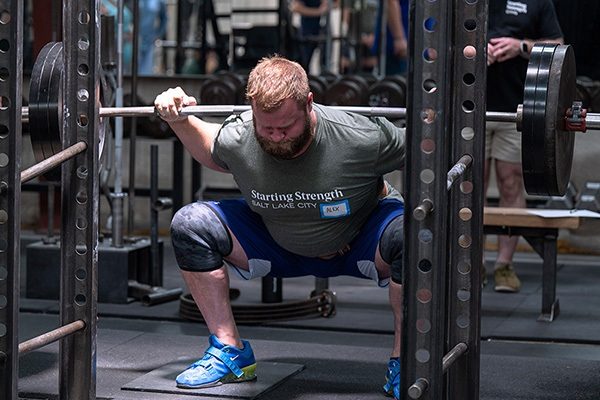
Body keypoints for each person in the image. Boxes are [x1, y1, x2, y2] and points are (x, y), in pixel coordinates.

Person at [154, 56, 406, 399]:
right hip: (276, 241)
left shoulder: (360, 137)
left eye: (286, 127)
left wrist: (439, 113)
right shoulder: (241, 135)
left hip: (360, 240)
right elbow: (212, 149)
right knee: (190, 224)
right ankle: (231, 353)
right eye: (266, 127)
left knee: (414, 232)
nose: (275, 136)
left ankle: (407, 359)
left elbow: (425, 151)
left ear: (309, 103)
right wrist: (178, 117)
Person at [485, 0, 563, 292]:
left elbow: (557, 45)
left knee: (510, 184)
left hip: (516, 110)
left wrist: (521, 47)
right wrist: (471, 53)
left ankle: (504, 264)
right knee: (469, 186)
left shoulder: (537, 2)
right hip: (470, 108)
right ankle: (468, 263)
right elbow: (436, 47)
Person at [290, 0, 329, 71]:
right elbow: (295, 7)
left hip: (319, 30)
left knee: (324, 61)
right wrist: (318, 12)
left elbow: (333, 5)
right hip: (305, 32)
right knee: (304, 62)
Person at [138, 0, 168, 75]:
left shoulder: (159, 2)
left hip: (149, 40)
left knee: (146, 71)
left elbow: (165, 18)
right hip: (132, 40)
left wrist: (158, 34)